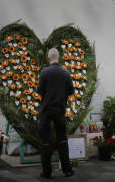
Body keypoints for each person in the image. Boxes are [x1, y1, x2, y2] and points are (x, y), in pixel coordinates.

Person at [37, 47, 74, 178]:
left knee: (45, 141)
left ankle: (46, 172)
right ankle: (67, 170)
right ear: (59, 57)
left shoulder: (44, 72)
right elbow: (71, 91)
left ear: (49, 58)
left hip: (46, 110)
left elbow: (39, 91)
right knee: (62, 140)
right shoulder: (65, 73)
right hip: (59, 110)